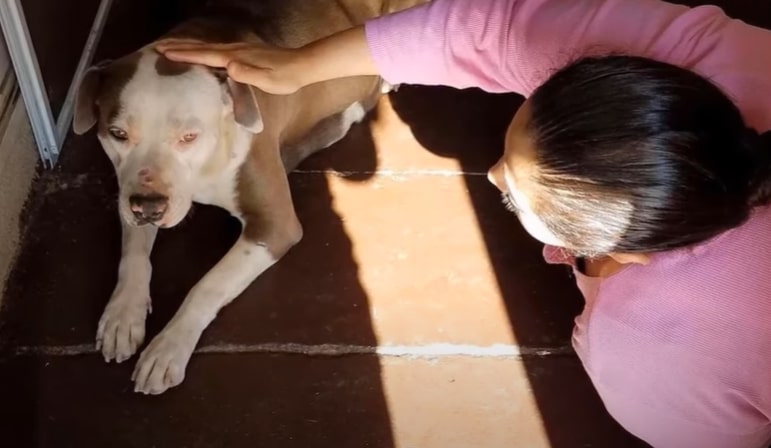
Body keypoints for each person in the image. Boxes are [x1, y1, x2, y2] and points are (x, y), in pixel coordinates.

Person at [157, 0, 771, 446]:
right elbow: (493, 28)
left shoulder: (659, 344)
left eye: (518, 200)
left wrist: (593, 293)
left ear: (628, 252)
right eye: (516, 143)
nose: (496, 176)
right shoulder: (701, 53)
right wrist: (295, 67)